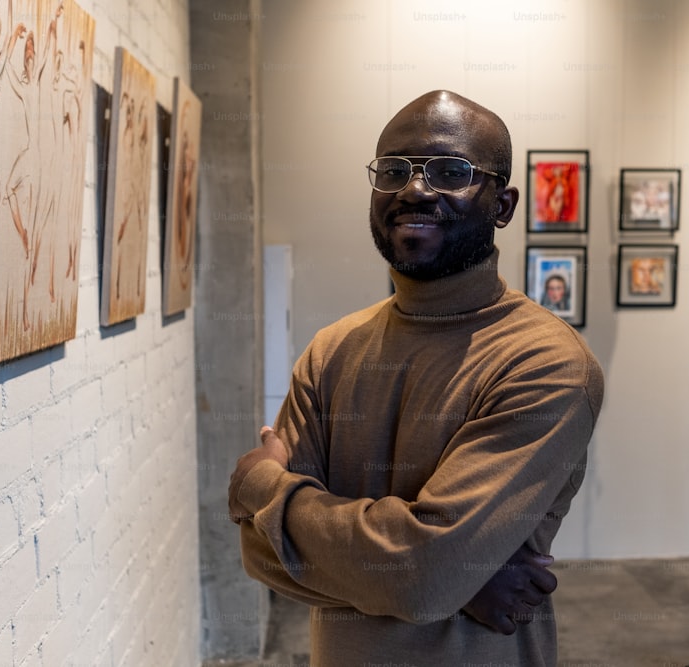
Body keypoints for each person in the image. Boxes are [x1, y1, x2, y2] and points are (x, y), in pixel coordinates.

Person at [228, 90, 604, 666]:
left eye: (451, 172)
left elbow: (418, 576)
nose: (415, 189)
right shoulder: (331, 351)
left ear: (503, 205)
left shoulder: (546, 363)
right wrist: (458, 582)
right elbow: (260, 554)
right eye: (395, 170)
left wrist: (262, 490)